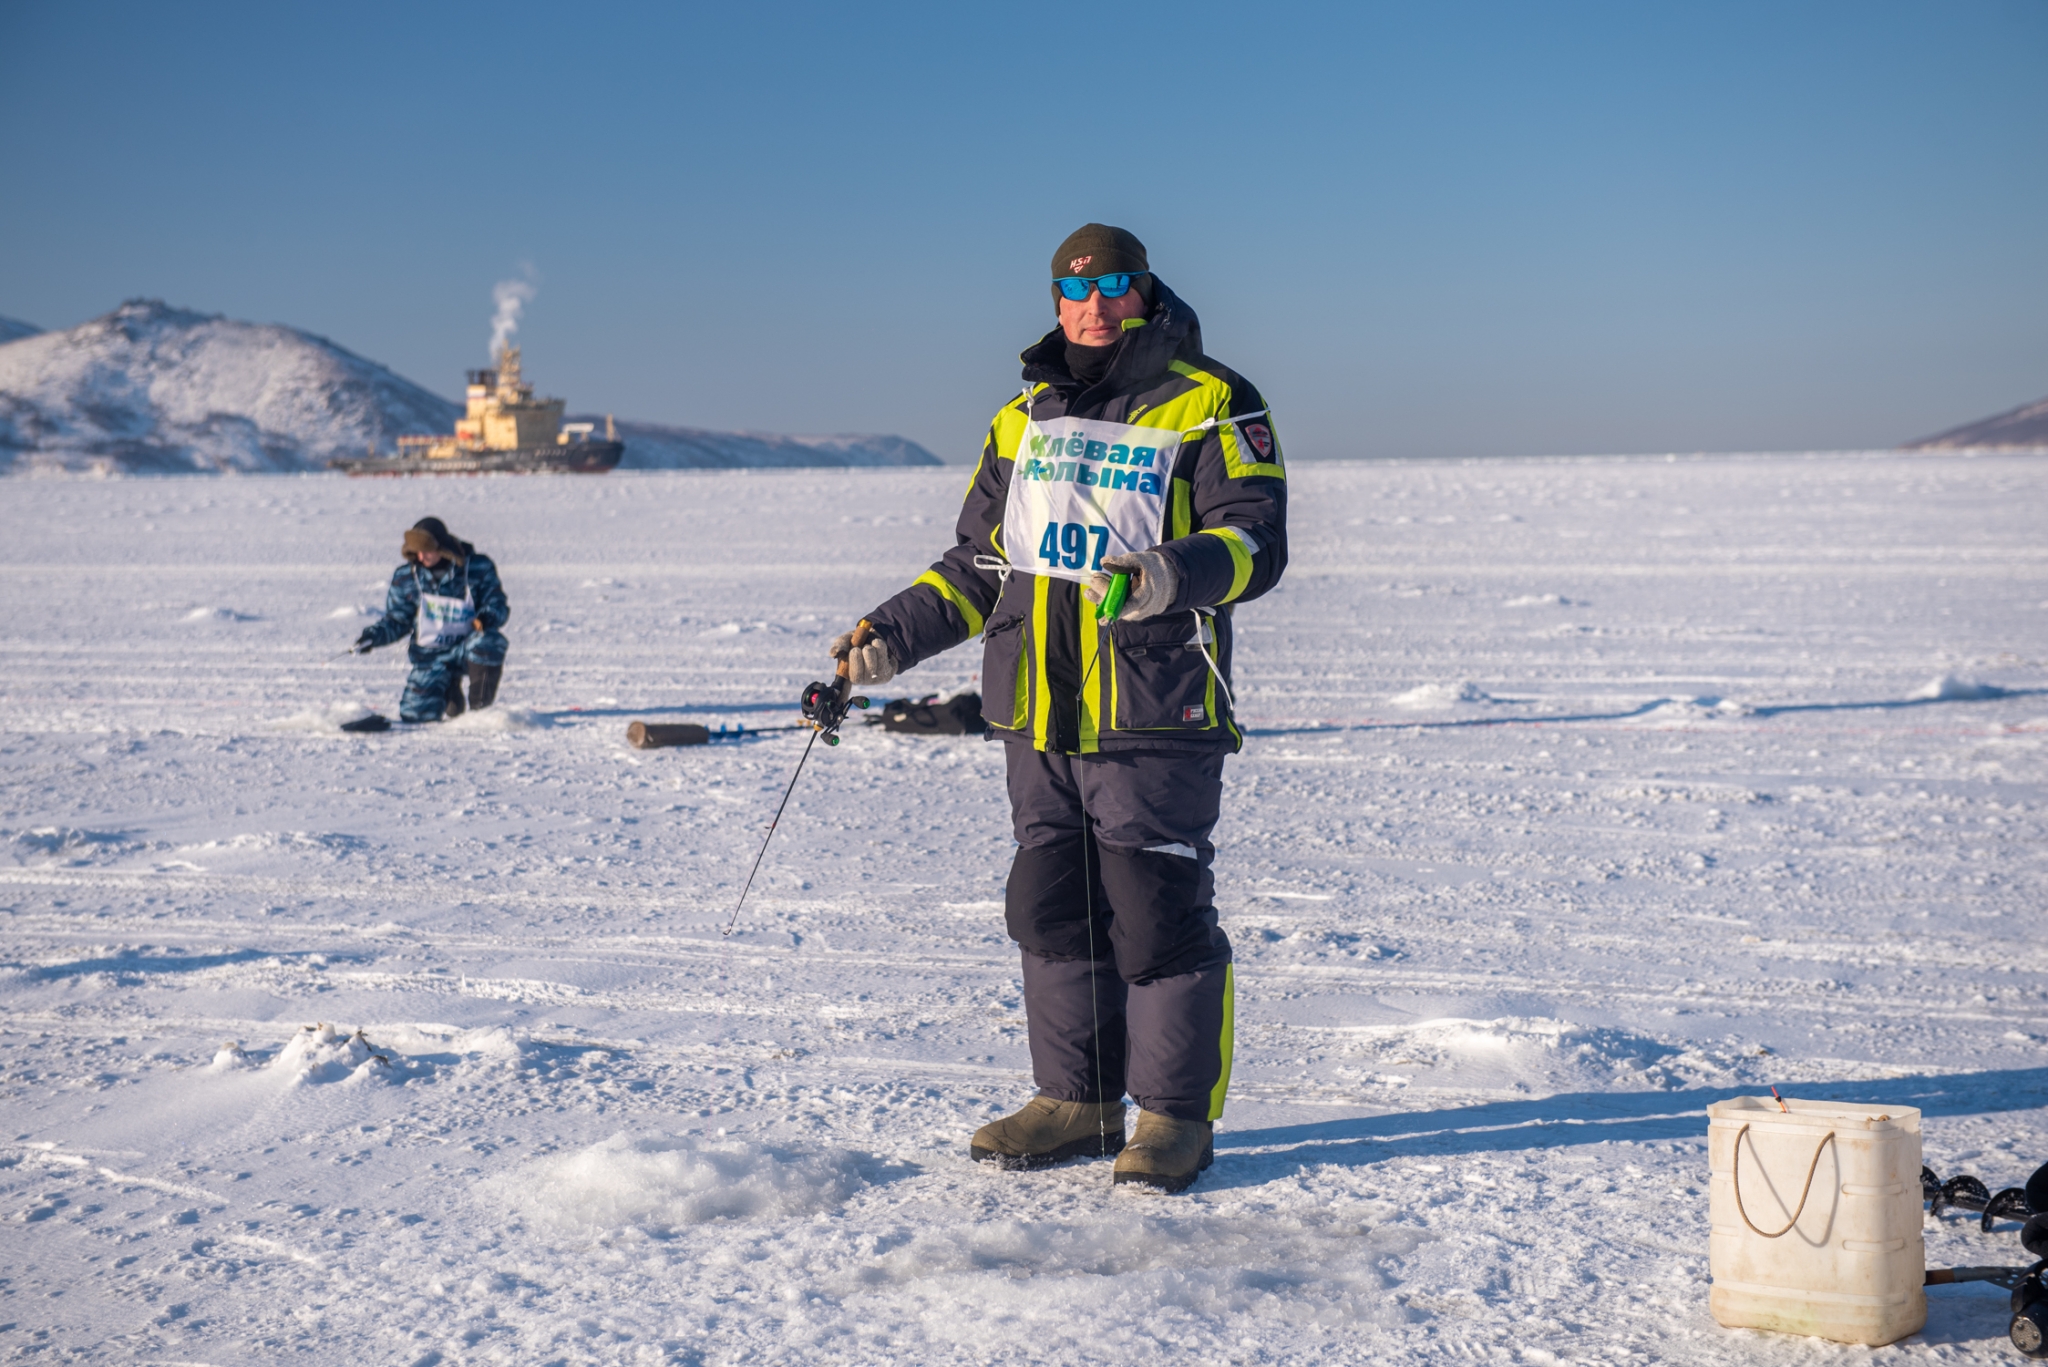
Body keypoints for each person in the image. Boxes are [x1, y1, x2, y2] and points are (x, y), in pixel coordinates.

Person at [832, 224, 1287, 1192]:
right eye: (1070, 290)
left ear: (1143, 287)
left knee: (1155, 912)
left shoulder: (1210, 401)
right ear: (1053, 302)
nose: (1092, 304)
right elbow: (978, 563)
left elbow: (1254, 541)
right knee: (1050, 907)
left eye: (1113, 283)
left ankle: (1172, 1118)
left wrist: (1170, 571)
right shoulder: (1019, 416)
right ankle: (1074, 1101)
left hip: (1150, 703)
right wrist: (889, 632)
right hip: (1035, 710)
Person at [351, 517, 510, 722]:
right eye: (416, 551)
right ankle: (447, 690)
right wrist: (373, 637)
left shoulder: (478, 567)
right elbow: (398, 621)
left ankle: (480, 713)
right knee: (415, 716)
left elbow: (497, 603)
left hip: (467, 649)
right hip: (430, 657)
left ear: (442, 548)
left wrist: (486, 617)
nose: (421, 556)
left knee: (489, 641)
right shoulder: (406, 577)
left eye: (426, 550)